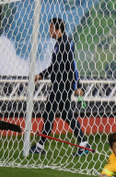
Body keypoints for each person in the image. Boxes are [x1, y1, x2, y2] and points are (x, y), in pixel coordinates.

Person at [30, 17, 91, 156]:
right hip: (58, 83)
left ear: (58, 30)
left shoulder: (66, 43)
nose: (49, 30)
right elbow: (55, 66)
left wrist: (77, 86)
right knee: (66, 114)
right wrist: (41, 75)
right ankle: (84, 144)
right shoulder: (58, 44)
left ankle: (40, 146)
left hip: (63, 85)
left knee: (49, 113)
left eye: (51, 28)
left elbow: (72, 66)